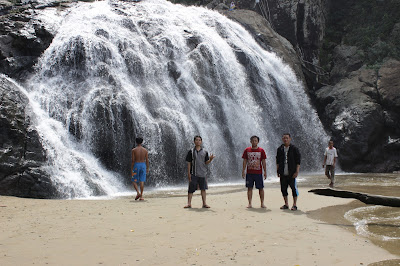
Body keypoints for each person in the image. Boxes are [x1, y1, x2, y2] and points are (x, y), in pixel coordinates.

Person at [184, 136, 215, 208]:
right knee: (191, 189)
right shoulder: (191, 151)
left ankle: (204, 203)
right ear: (194, 141)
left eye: (199, 140)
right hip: (193, 173)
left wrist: (210, 159)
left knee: (203, 189)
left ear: (201, 142)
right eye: (196, 140)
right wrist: (189, 173)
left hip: (202, 173)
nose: (198, 141)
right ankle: (189, 203)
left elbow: (206, 162)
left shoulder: (205, 152)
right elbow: (189, 163)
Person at [276, 133, 301, 211]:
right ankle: (286, 204)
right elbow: (277, 160)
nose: (285, 139)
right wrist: (277, 170)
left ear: (290, 139)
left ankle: (294, 205)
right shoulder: (280, 149)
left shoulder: (294, 149)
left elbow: (298, 161)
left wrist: (297, 172)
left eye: (287, 138)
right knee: (283, 189)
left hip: (291, 172)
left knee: (293, 188)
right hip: (283, 172)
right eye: (284, 138)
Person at [242, 136, 267, 208]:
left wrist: (265, 171)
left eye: (255, 141)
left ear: (258, 142)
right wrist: (243, 170)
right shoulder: (247, 150)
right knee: (249, 188)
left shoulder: (261, 150)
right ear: (250, 141)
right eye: (253, 141)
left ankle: (262, 203)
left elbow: (263, 161)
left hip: (258, 173)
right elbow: (245, 161)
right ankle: (249, 203)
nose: (254, 142)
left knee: (261, 188)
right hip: (249, 173)